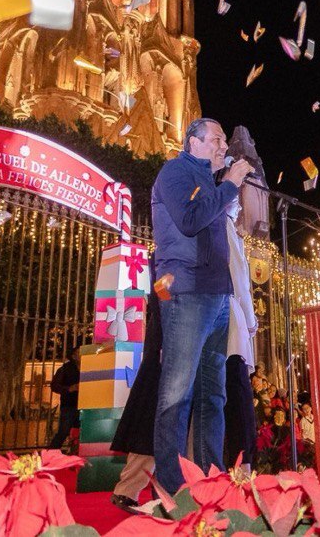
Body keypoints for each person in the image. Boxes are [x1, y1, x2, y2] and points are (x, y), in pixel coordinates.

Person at [151, 118, 254, 494]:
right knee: (177, 392)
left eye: (224, 139)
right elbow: (191, 220)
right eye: (216, 139)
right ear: (192, 142)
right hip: (186, 293)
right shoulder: (175, 173)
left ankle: (210, 482)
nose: (223, 146)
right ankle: (170, 487)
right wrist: (229, 184)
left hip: (216, 295)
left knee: (214, 393)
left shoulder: (209, 182)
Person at [110, 292, 161, 513]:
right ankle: (128, 490)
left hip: (167, 351)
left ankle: (150, 491)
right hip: (163, 354)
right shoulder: (165, 269)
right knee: (149, 425)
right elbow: (163, 295)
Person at [221, 174, 259, 468]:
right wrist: (250, 319)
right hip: (232, 320)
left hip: (225, 318)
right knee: (237, 396)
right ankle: (241, 463)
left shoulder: (222, 227)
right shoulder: (224, 227)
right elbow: (239, 278)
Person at [48, 344, 81, 451]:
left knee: (80, 433)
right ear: (73, 356)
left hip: (85, 406)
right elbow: (54, 385)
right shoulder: (65, 369)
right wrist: (69, 389)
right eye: (79, 353)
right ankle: (50, 454)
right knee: (63, 432)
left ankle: (75, 454)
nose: (82, 355)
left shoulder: (88, 368)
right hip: (69, 406)